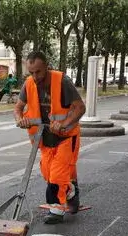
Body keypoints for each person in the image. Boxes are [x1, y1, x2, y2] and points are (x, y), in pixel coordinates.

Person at [14, 50, 87, 224]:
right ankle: (71, 191)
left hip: (65, 137)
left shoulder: (62, 81)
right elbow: (18, 108)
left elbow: (80, 108)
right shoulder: (28, 84)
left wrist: (65, 123)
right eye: (31, 72)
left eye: (38, 71)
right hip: (44, 140)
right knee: (48, 173)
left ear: (47, 67)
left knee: (56, 177)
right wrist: (20, 120)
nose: (35, 76)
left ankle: (56, 210)